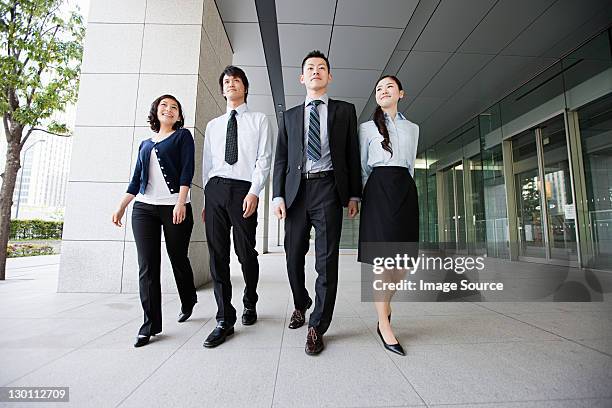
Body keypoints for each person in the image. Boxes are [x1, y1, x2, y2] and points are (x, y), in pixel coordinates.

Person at [273, 50, 361, 355]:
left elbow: (352, 154)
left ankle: (317, 325)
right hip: (297, 193)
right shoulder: (290, 116)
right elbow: (281, 158)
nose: (315, 71)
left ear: (329, 76)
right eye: (310, 68)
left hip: (328, 188)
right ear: (302, 77)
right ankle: (301, 303)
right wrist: (278, 195)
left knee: (326, 260)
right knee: (292, 254)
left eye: (321, 68)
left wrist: (353, 193)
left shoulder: (345, 111)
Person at [112, 94, 198, 348]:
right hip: (144, 209)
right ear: (155, 112)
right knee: (147, 266)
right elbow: (136, 178)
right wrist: (121, 207)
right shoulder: (145, 144)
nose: (168, 110)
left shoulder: (183, 137)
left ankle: (188, 298)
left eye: (174, 108)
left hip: (175, 206)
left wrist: (181, 202)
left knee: (178, 258)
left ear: (179, 116)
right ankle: (150, 324)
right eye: (164, 106)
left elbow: (187, 169)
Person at [201, 65, 272, 348]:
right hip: (216, 189)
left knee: (246, 253)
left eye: (236, 80)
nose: (231, 84)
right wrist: (208, 196)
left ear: (245, 87)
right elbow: (207, 164)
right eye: (226, 81)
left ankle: (250, 300)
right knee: (217, 255)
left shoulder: (258, 120)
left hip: (244, 189)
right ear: (222, 89)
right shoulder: (213, 125)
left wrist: (255, 192)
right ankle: (224, 318)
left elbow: (264, 159)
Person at [358, 75, 419, 356]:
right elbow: (362, 167)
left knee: (403, 262)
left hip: (405, 189)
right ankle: (384, 324)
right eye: (379, 88)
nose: (383, 91)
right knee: (382, 262)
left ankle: (385, 305)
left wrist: (408, 190)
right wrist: (357, 198)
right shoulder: (367, 128)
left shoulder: (413, 129)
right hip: (378, 190)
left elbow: (410, 164)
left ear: (401, 94)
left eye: (389, 87)